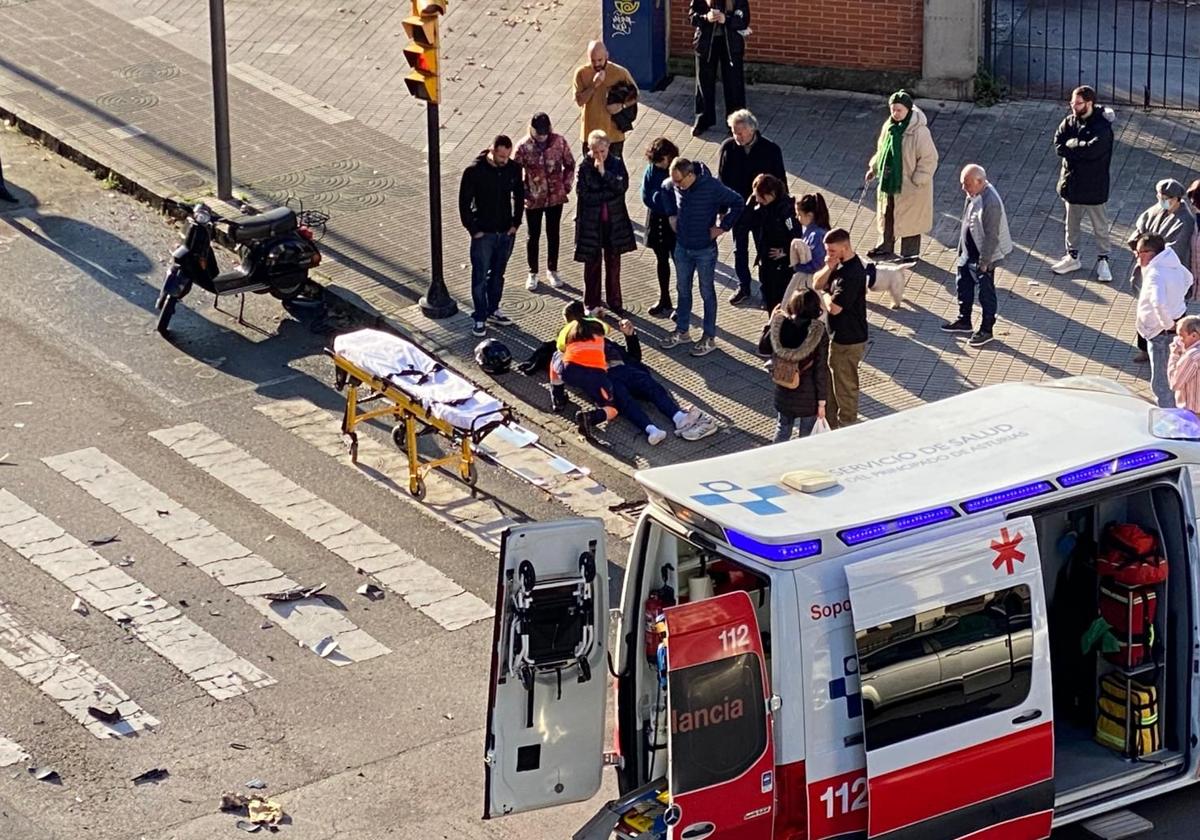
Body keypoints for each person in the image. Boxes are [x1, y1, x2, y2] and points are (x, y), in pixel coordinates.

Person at [656, 157, 744, 357]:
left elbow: (738, 202)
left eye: (680, 181)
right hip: (682, 246)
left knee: (706, 291)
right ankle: (682, 330)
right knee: (682, 289)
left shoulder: (711, 186)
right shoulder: (674, 183)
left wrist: (722, 227)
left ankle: (709, 336)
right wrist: (671, 214)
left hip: (705, 249)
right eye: (674, 180)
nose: (677, 185)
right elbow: (664, 187)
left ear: (690, 175)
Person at [458, 135, 524, 338]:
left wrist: (515, 223)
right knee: (479, 276)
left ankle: (493, 308)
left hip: (505, 231)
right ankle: (480, 315)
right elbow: (464, 202)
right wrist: (474, 229)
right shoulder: (474, 171)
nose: (505, 160)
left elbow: (519, 195)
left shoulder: (513, 168)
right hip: (484, 233)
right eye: (501, 155)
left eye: (507, 156)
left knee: (497, 274)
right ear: (492, 150)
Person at [718, 109, 786, 305]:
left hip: (763, 211)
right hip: (738, 209)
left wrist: (780, 210)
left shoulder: (771, 150)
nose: (736, 136)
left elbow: (780, 182)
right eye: (733, 131)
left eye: (739, 132)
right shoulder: (728, 148)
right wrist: (722, 211)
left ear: (752, 130)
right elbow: (722, 180)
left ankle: (767, 290)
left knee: (763, 250)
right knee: (740, 250)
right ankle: (743, 286)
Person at [941, 164, 1013, 348]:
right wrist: (961, 249)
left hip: (983, 258)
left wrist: (984, 262)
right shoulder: (973, 193)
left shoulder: (991, 203)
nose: (963, 188)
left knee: (985, 293)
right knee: (963, 285)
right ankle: (964, 320)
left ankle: (986, 329)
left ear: (980, 181)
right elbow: (967, 221)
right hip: (968, 253)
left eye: (966, 184)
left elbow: (991, 236)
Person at [1051, 84, 1116, 281]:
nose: (1073, 107)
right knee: (1071, 225)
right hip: (1072, 184)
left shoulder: (1102, 127)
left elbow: (1093, 151)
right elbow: (1058, 144)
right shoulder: (1069, 121)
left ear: (1089, 103)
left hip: (1094, 186)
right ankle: (1072, 256)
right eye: (1072, 102)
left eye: (1078, 103)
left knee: (1100, 226)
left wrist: (1073, 146)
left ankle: (1103, 260)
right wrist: (1078, 148)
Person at [866, 90, 938, 262]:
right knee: (888, 213)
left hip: (911, 186)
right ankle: (885, 245)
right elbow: (882, 150)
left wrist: (918, 178)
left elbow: (929, 158)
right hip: (890, 180)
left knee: (911, 221)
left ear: (908, 110)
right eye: (893, 110)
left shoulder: (919, 132)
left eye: (899, 110)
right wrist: (874, 168)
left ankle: (910, 254)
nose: (895, 114)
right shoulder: (889, 127)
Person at [1128, 178, 1195, 360]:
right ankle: (1144, 347)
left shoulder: (1185, 220)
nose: (1163, 200)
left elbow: (1175, 247)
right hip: (1148, 266)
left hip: (1167, 272)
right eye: (1160, 196)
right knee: (1145, 307)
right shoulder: (1155, 211)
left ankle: (1178, 347)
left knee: (1171, 310)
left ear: (1177, 199)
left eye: (1167, 198)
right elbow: (1139, 231)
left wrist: (1153, 250)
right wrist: (1139, 245)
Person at [574, 130, 636, 316]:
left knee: (613, 263)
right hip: (591, 224)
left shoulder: (616, 164)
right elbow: (584, 195)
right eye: (595, 151)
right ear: (589, 149)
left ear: (608, 147)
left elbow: (621, 186)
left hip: (613, 223)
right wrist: (607, 195)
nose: (599, 155)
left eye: (602, 150)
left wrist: (604, 174)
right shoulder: (584, 167)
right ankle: (591, 303)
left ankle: (614, 302)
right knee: (591, 264)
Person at [812, 228, 868, 428]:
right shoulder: (837, 264)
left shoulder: (852, 273)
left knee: (845, 388)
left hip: (849, 339)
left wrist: (826, 296)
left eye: (832, 251)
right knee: (833, 383)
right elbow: (816, 283)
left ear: (845, 247)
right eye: (827, 250)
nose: (829, 255)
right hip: (836, 336)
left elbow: (834, 308)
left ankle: (847, 427)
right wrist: (828, 267)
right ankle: (832, 423)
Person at [514, 112, 574, 292]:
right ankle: (532, 272)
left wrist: (566, 186)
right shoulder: (523, 147)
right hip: (533, 198)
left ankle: (552, 270)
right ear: (531, 129)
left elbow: (570, 164)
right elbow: (515, 174)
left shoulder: (559, 141)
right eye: (538, 132)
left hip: (555, 197)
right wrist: (524, 193)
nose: (542, 135)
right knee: (533, 235)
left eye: (544, 131)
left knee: (553, 233)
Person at [762, 288, 828, 442]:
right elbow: (820, 369)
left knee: (782, 429)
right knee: (806, 437)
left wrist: (771, 322)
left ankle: (776, 460)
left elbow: (763, 348)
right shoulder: (818, 332)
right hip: (808, 395)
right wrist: (822, 403)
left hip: (783, 386)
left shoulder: (781, 324)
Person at [1135, 233, 1192, 408]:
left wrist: (1168, 324)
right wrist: (1176, 301)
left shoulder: (1155, 274)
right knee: (1170, 370)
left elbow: (1158, 303)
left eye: (1140, 252)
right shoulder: (1172, 263)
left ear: (1151, 253)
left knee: (1161, 380)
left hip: (1161, 331)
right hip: (1174, 321)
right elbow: (1189, 278)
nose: (1137, 257)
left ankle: (1168, 415)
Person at [690, 0, 749, 135]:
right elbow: (692, 17)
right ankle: (703, 120)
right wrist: (706, 17)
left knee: (734, 85)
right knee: (704, 84)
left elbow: (744, 20)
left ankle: (736, 123)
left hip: (731, 45)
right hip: (706, 44)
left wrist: (726, 19)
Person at [572, 41, 638, 159]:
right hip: (590, 135)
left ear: (607, 56)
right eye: (593, 61)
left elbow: (636, 94)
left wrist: (622, 106)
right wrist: (594, 85)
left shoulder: (619, 72)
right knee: (591, 173)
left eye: (600, 60)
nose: (597, 64)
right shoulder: (581, 73)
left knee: (613, 173)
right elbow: (579, 101)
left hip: (613, 136)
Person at [745, 174, 798, 313]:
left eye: (760, 196)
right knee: (769, 297)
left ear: (771, 194)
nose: (758, 200)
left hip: (782, 265)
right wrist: (750, 204)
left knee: (781, 299)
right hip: (766, 260)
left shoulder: (786, 211)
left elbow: (797, 235)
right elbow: (745, 221)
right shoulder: (760, 207)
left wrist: (785, 251)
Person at [641, 137, 680, 318]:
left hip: (674, 223)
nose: (660, 164)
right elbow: (646, 196)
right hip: (657, 221)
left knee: (680, 264)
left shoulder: (678, 170)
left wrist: (663, 203)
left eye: (662, 160)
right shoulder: (651, 170)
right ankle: (664, 298)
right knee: (661, 261)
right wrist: (662, 201)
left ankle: (683, 304)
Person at [783, 193, 830, 303]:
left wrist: (798, 266)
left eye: (799, 214)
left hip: (813, 282)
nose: (796, 217)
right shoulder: (810, 230)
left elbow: (817, 264)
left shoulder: (817, 235)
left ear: (809, 215)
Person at [1167, 316, 1200, 414]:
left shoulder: (1192, 356)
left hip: (1193, 413)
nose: (1178, 340)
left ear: (1194, 335)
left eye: (1181, 336)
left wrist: (1174, 355)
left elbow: (1174, 384)